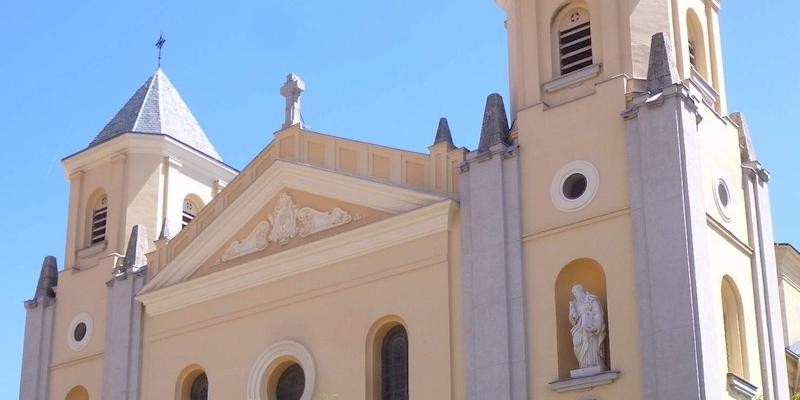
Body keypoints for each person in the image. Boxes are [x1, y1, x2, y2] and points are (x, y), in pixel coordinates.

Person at [568, 284, 607, 370]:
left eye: (575, 292)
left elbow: (598, 314)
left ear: (580, 291)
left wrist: (596, 326)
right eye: (573, 293)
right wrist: (573, 314)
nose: (575, 295)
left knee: (590, 344)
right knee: (577, 343)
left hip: (591, 328)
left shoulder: (591, 300)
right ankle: (583, 364)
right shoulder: (575, 304)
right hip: (579, 327)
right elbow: (575, 321)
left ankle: (593, 363)